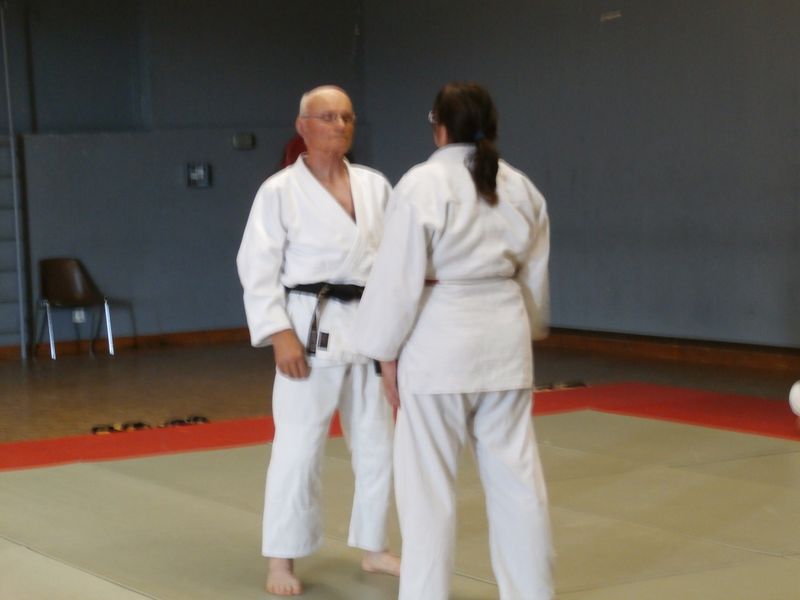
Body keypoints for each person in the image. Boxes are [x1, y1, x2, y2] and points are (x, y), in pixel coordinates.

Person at [354, 82, 554, 600]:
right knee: (519, 486)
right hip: (504, 342)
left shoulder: (422, 184)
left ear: (438, 127)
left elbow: (397, 278)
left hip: (438, 344)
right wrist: (526, 330)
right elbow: (534, 282)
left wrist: (384, 353)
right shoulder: (521, 187)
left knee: (427, 494)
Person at [237, 85, 400, 596]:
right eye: (328, 117)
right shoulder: (279, 191)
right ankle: (281, 559)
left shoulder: (375, 186)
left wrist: (397, 337)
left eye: (347, 117)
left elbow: (396, 264)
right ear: (303, 126)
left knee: (379, 444)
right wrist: (279, 333)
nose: (340, 125)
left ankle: (374, 546)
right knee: (298, 449)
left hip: (370, 330)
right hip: (309, 329)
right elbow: (256, 268)